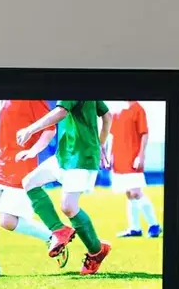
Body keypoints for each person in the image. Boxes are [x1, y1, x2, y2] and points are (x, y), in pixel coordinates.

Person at [0, 100, 69, 278]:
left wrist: (33, 151)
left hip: (21, 165)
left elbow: (50, 130)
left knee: (7, 221)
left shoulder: (33, 98)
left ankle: (52, 237)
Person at [16, 101, 112, 276]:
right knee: (30, 182)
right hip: (63, 154)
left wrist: (30, 130)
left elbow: (60, 112)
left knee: (68, 206)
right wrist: (101, 144)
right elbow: (107, 115)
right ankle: (59, 230)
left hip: (81, 156)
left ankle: (96, 251)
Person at [109, 101, 162, 238]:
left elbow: (144, 133)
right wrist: (109, 156)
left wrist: (141, 155)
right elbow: (113, 135)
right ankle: (134, 228)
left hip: (132, 157)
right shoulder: (117, 110)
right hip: (119, 157)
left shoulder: (137, 109)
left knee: (136, 192)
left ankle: (154, 225)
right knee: (128, 193)